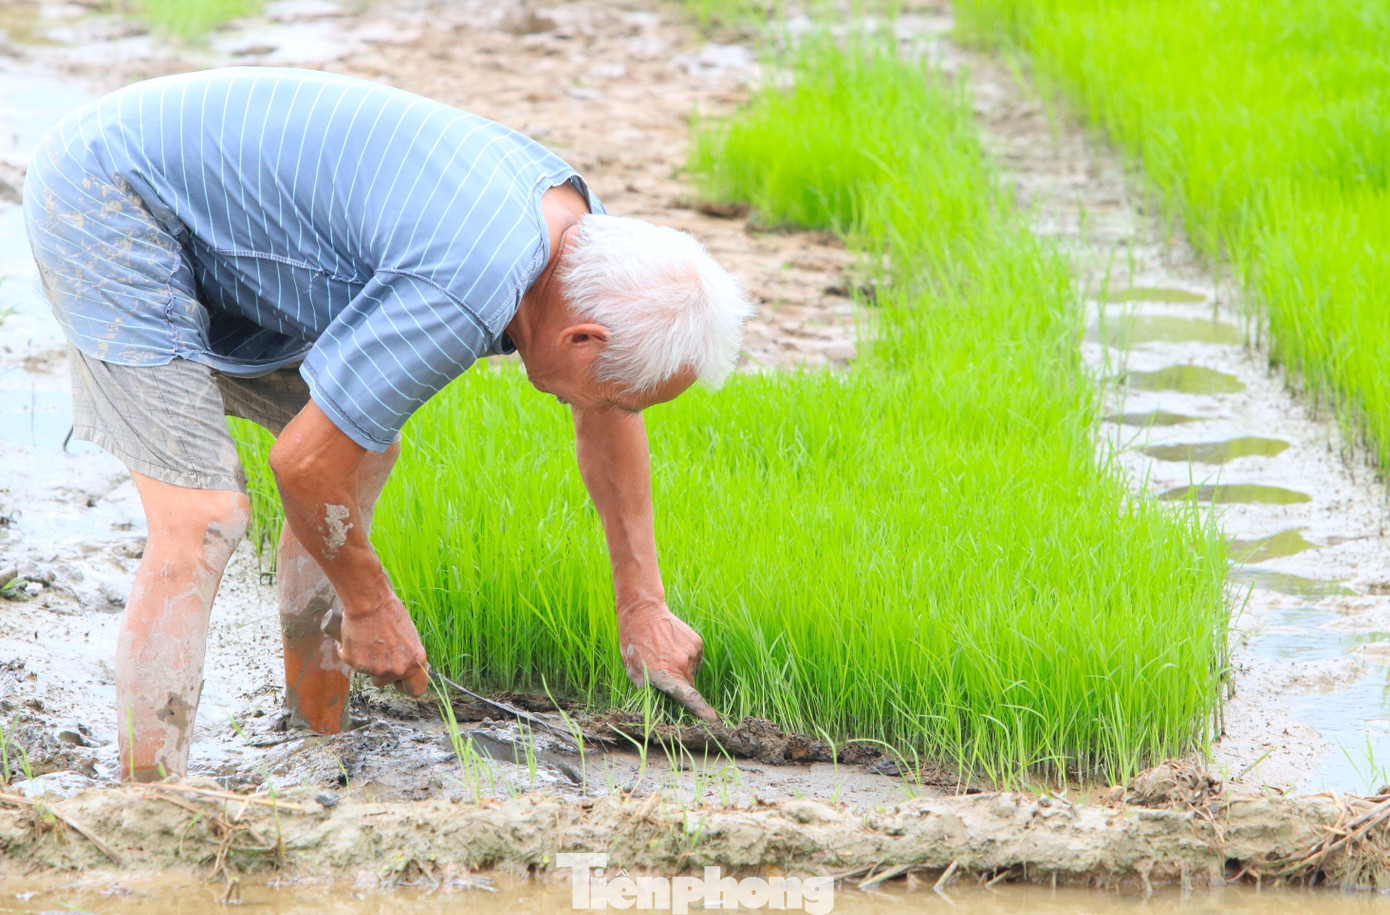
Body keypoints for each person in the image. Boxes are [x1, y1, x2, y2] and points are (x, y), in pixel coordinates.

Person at [23, 67, 752, 781]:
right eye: (627, 396)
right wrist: (370, 604)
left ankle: (314, 735)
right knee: (204, 517)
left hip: (234, 215)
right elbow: (302, 465)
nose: (621, 412)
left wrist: (643, 605)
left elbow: (604, 411)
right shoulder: (472, 283)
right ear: (581, 340)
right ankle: (150, 800)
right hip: (113, 197)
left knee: (359, 452)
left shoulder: (583, 238)